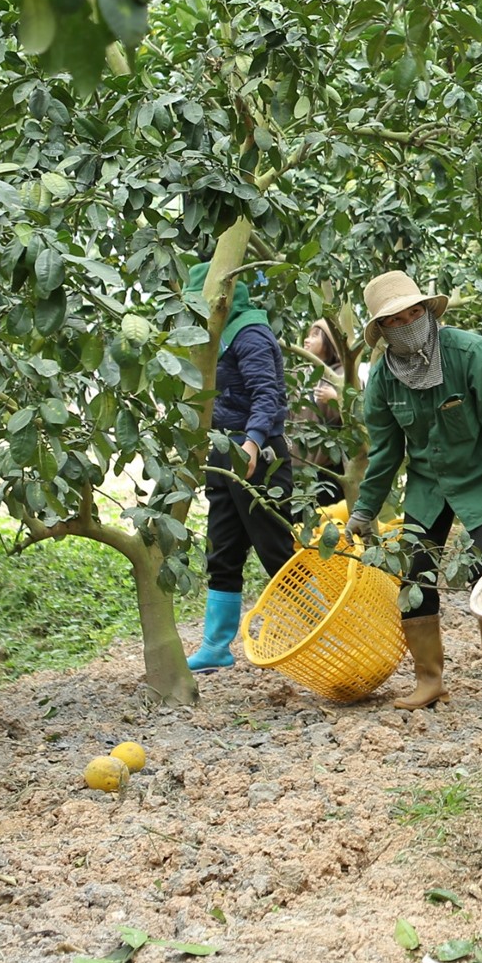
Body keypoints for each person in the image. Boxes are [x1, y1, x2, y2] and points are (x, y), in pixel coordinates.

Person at [345, 272, 482, 709]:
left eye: (414, 312)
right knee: (413, 571)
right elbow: (386, 454)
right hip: (430, 484)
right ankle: (429, 679)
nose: (408, 322)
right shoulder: (383, 379)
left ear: (427, 311)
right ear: (383, 330)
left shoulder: (468, 352)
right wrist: (364, 510)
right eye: (395, 319)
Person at [187, 260, 296, 672]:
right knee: (222, 548)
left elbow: (267, 396)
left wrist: (251, 442)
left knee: (276, 551)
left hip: (258, 455)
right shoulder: (214, 338)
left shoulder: (249, 333)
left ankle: (309, 627)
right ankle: (216, 646)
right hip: (223, 454)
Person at [295, 318, 347, 509]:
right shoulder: (298, 376)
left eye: (315, 335)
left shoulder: (343, 375)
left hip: (329, 469)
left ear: (330, 341)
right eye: (308, 335)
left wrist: (337, 398)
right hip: (297, 468)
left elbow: (356, 418)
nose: (307, 341)